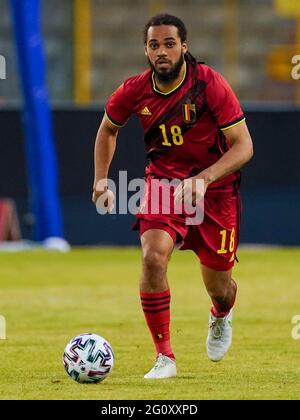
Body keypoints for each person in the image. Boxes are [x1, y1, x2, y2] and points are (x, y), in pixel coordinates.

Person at [92, 14, 253, 379]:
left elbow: (244, 146)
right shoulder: (134, 89)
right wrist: (100, 179)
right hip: (163, 185)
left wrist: (206, 177)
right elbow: (107, 130)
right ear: (146, 51)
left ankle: (221, 314)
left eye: (168, 44)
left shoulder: (209, 84)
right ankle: (165, 356)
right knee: (152, 257)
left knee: (220, 287)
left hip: (216, 193)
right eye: (153, 45)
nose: (161, 51)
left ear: (184, 47)